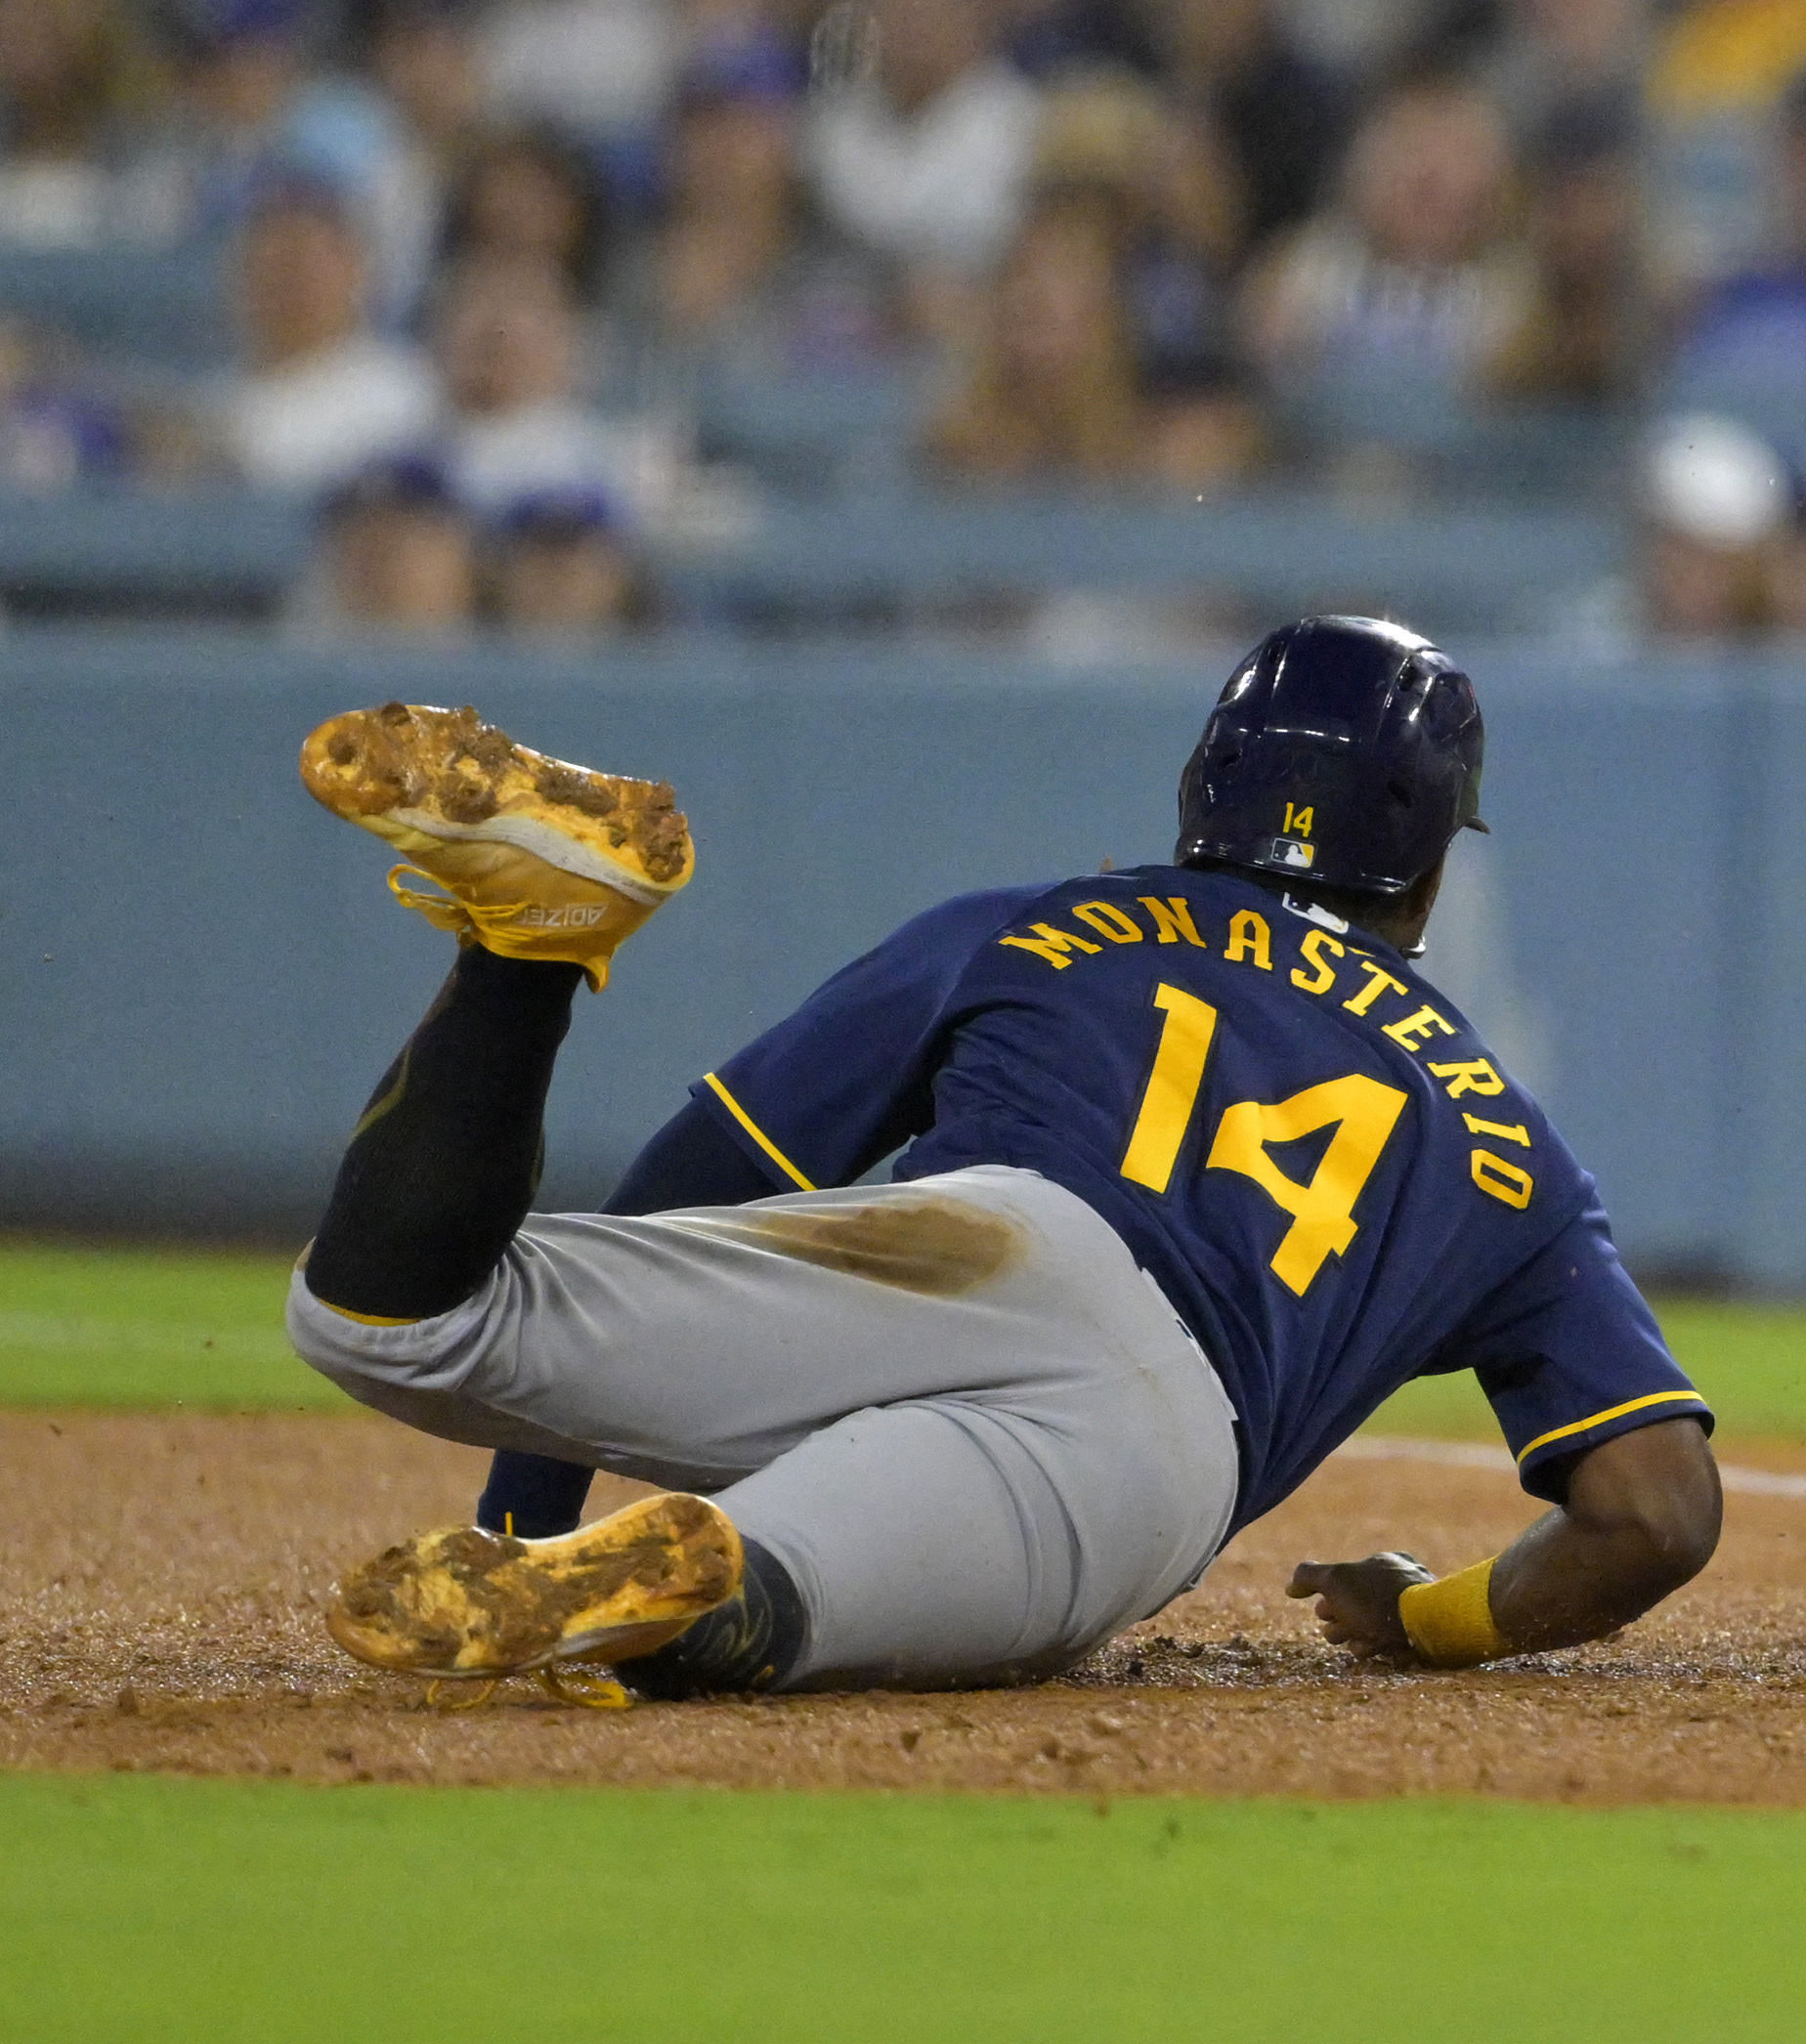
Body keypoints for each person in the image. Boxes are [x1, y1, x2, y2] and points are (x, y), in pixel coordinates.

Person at [281, 617, 1718, 1694]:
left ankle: (527, 949)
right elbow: (1656, 1511)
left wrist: (537, 1466)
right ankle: (687, 1589)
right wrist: (1425, 1620)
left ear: (1197, 793)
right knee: (778, 1601)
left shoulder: (1036, 924)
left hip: (966, 1241)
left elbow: (712, 1164)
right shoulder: (1505, 1144)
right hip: (1154, 1439)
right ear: (1430, 862)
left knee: (381, 1318)